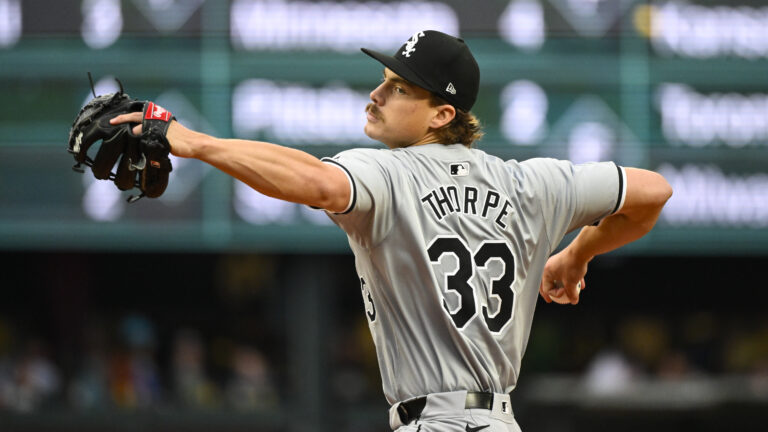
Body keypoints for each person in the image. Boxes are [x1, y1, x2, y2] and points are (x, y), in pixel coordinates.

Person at [110, 30, 672, 432]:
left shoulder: (389, 171)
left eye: (399, 88)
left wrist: (192, 141)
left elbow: (317, 184)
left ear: (441, 115)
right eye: (383, 81)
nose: (376, 96)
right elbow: (653, 192)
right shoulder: (534, 184)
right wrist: (579, 254)